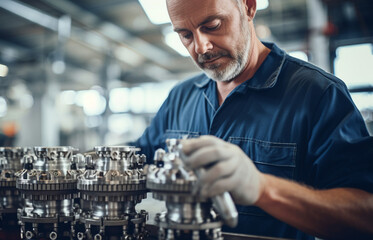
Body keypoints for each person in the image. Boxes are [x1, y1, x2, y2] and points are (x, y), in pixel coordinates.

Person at [131, 0, 373, 239]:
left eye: (213, 25)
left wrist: (262, 188)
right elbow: (135, 161)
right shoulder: (180, 98)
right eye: (185, 35)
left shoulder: (318, 94)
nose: (201, 47)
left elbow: (364, 217)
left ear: (248, 6)